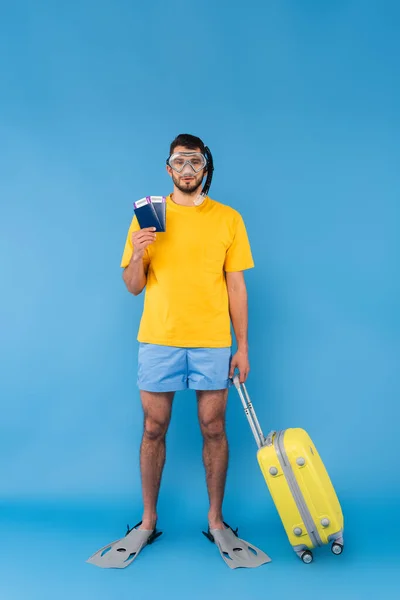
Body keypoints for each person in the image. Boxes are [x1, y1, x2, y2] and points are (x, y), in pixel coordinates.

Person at [86, 134, 270, 570]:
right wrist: (137, 254)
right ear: (167, 169)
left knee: (213, 427)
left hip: (211, 340)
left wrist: (242, 346)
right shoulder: (147, 217)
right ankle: (148, 522)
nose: (186, 169)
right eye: (178, 161)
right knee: (153, 428)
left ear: (206, 167)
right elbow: (133, 286)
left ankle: (217, 520)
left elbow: (236, 285)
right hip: (159, 338)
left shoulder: (228, 219)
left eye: (194, 161)